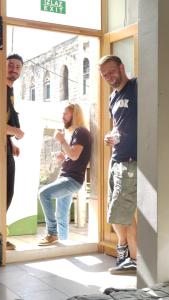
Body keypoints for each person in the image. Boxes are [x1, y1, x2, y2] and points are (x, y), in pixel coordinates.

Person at [98, 55, 137, 274]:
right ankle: (124, 250)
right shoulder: (113, 97)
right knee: (114, 212)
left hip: (131, 161)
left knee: (123, 211)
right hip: (116, 159)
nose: (108, 77)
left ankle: (133, 258)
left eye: (111, 71)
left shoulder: (137, 87)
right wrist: (108, 136)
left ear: (122, 67)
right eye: (104, 75)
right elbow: (117, 128)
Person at [38, 104, 91, 246]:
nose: (62, 117)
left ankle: (52, 233)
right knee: (61, 215)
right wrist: (64, 156)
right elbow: (73, 155)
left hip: (71, 180)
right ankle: (63, 244)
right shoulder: (76, 133)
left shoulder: (81, 132)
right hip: (68, 178)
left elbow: (74, 155)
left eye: (66, 114)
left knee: (43, 194)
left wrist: (62, 141)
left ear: (75, 116)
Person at [6, 54, 24, 250]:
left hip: (5, 147)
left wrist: (11, 143)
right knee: (3, 192)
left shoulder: (10, 91)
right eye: (10, 65)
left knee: (7, 192)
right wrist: (16, 132)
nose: (14, 69)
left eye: (18, 67)